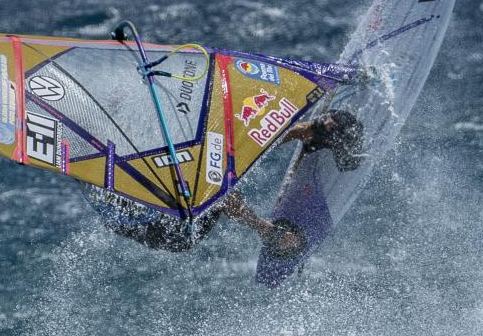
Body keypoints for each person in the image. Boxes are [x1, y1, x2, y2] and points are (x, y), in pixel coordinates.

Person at [87, 109, 365, 257]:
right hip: (166, 229)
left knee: (213, 147)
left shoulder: (116, 144)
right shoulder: (106, 174)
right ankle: (269, 233)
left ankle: (308, 132)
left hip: (140, 194)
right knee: (216, 184)